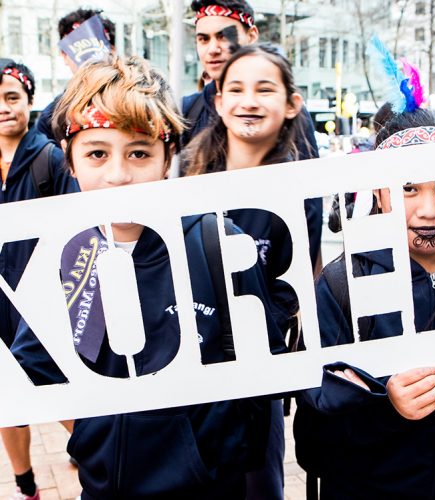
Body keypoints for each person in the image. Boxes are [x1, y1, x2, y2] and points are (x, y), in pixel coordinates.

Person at [11, 54, 288, 500]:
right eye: (97, 153)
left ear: (167, 158)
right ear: (70, 160)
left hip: (211, 488)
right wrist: (95, 435)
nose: (118, 175)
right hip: (106, 487)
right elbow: (32, 369)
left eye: (139, 153)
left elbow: (265, 375)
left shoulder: (218, 242)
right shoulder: (65, 253)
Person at [294, 108, 435, 499]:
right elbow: (312, 445)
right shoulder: (340, 289)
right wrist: (384, 409)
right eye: (408, 188)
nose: (429, 210)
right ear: (380, 193)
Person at [184, 43, 322, 500]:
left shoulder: (300, 191)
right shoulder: (182, 175)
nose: (249, 101)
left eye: (264, 89)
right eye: (237, 89)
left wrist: (252, 340)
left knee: (257, 485)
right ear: (218, 101)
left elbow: (291, 287)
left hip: (255, 376)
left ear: (291, 104)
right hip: (183, 363)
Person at [0, 58, 77, 500]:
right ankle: (26, 484)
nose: (4, 107)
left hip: (44, 305)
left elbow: (78, 230)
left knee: (61, 394)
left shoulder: (49, 158)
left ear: (29, 100)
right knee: (7, 402)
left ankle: (102, 464)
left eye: (12, 97)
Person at [182, 0, 319, 164]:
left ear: (251, 36)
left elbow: (310, 177)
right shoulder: (185, 112)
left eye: (224, 36)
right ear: (219, 104)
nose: (213, 49)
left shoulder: (285, 110)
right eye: (204, 39)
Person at [35, 8, 116, 142]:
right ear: (64, 55)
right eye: (76, 48)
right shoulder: (52, 116)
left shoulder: (142, 99)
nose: (88, 59)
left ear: (112, 49)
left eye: (94, 44)